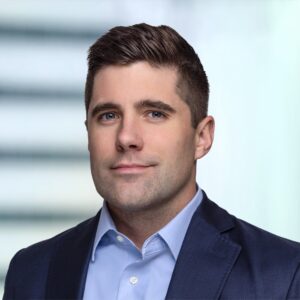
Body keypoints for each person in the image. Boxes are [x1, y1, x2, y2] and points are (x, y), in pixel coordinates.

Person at [3, 23, 300, 300]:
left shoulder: (284, 274)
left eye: (155, 113)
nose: (126, 137)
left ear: (202, 137)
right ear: (88, 134)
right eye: (108, 115)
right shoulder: (31, 273)